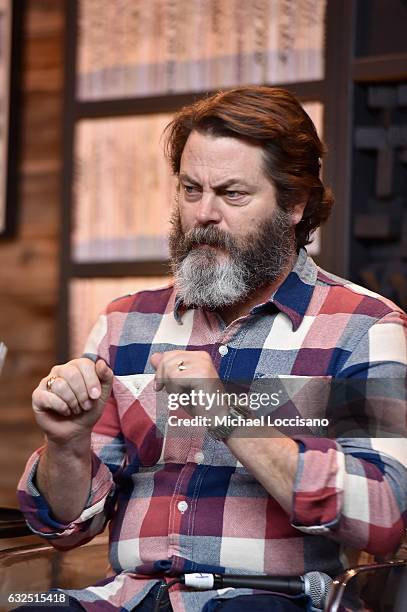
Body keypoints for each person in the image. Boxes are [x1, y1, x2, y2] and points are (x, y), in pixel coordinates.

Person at [17, 87, 407, 611]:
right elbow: (65, 529)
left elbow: (385, 513)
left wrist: (228, 414)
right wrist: (66, 443)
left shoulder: (363, 326)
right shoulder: (124, 322)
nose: (204, 213)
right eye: (190, 189)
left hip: (268, 599)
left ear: (294, 203)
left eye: (233, 194)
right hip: (125, 597)